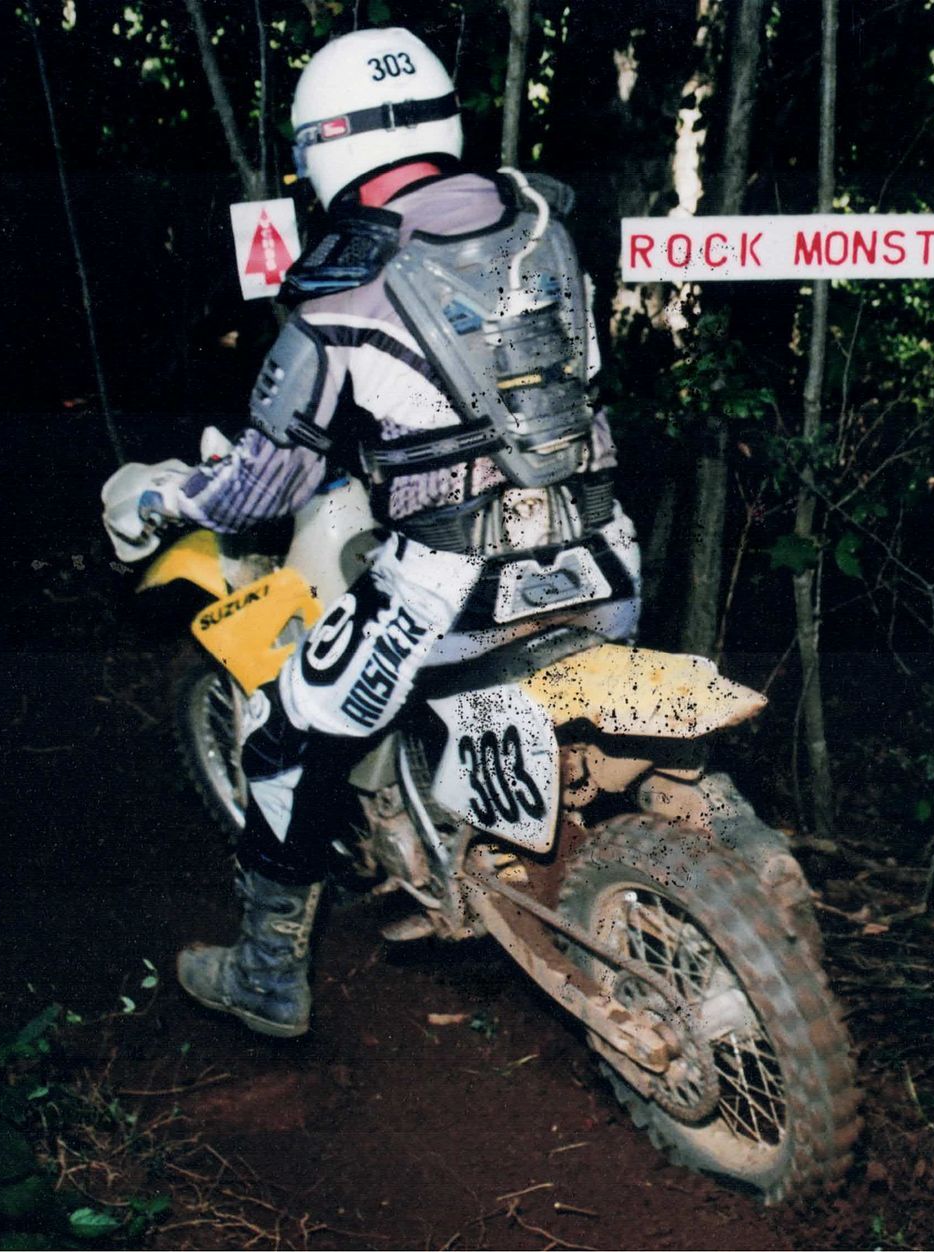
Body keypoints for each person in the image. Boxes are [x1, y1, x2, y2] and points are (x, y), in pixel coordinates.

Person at [101, 27, 639, 1040]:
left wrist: (170, 497)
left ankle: (267, 976)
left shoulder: (340, 282)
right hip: (606, 555)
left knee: (285, 735)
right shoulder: (545, 218)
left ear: (327, 145)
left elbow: (263, 490)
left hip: (452, 588)